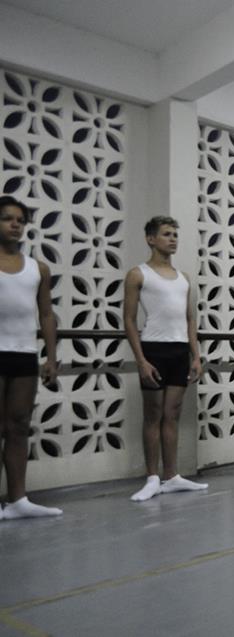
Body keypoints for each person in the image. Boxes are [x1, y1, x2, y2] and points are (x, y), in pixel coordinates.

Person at [123, 216, 207, 500]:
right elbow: (129, 320)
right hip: (154, 349)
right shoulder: (138, 274)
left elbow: (189, 319)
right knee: (153, 415)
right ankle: (152, 478)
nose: (172, 239)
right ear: (151, 239)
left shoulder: (184, 278)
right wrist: (141, 360)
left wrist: (196, 356)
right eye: (166, 234)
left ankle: (171, 476)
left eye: (175, 235)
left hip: (179, 350)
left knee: (172, 414)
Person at [0, 196, 62, 520]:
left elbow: (46, 314)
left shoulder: (38, 268)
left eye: (20, 220)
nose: (15, 224)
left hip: (24, 353)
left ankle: (17, 500)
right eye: (7, 218)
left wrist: (51, 357)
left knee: (19, 425)